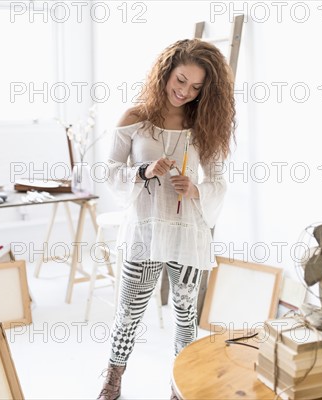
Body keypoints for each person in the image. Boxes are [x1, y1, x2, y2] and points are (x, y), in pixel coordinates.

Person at [97, 39, 236, 400]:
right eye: (180, 80)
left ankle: (180, 388)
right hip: (145, 233)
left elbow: (219, 181)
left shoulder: (204, 124)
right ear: (165, 72)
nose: (184, 92)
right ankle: (111, 383)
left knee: (186, 316)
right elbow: (109, 172)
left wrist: (196, 189)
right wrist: (143, 171)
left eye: (196, 87)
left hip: (187, 235)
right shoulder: (134, 119)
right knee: (128, 313)